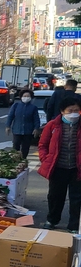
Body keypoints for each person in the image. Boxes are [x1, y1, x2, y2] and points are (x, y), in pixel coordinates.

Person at [38, 96, 81, 230]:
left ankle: (74, 225)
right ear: (62, 111)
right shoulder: (52, 125)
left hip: (77, 169)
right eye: (70, 110)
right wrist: (45, 159)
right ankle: (52, 220)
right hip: (57, 167)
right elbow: (43, 145)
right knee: (55, 197)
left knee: (76, 199)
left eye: (77, 111)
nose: (73, 113)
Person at [6, 89, 41, 159]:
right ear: (21, 97)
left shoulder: (33, 108)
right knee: (16, 146)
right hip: (17, 130)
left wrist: (36, 128)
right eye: (24, 96)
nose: (26, 97)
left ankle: (23, 159)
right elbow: (10, 116)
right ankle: (15, 159)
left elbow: (36, 119)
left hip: (28, 131)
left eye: (28, 96)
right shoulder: (16, 105)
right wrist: (8, 126)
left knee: (25, 147)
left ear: (31, 97)